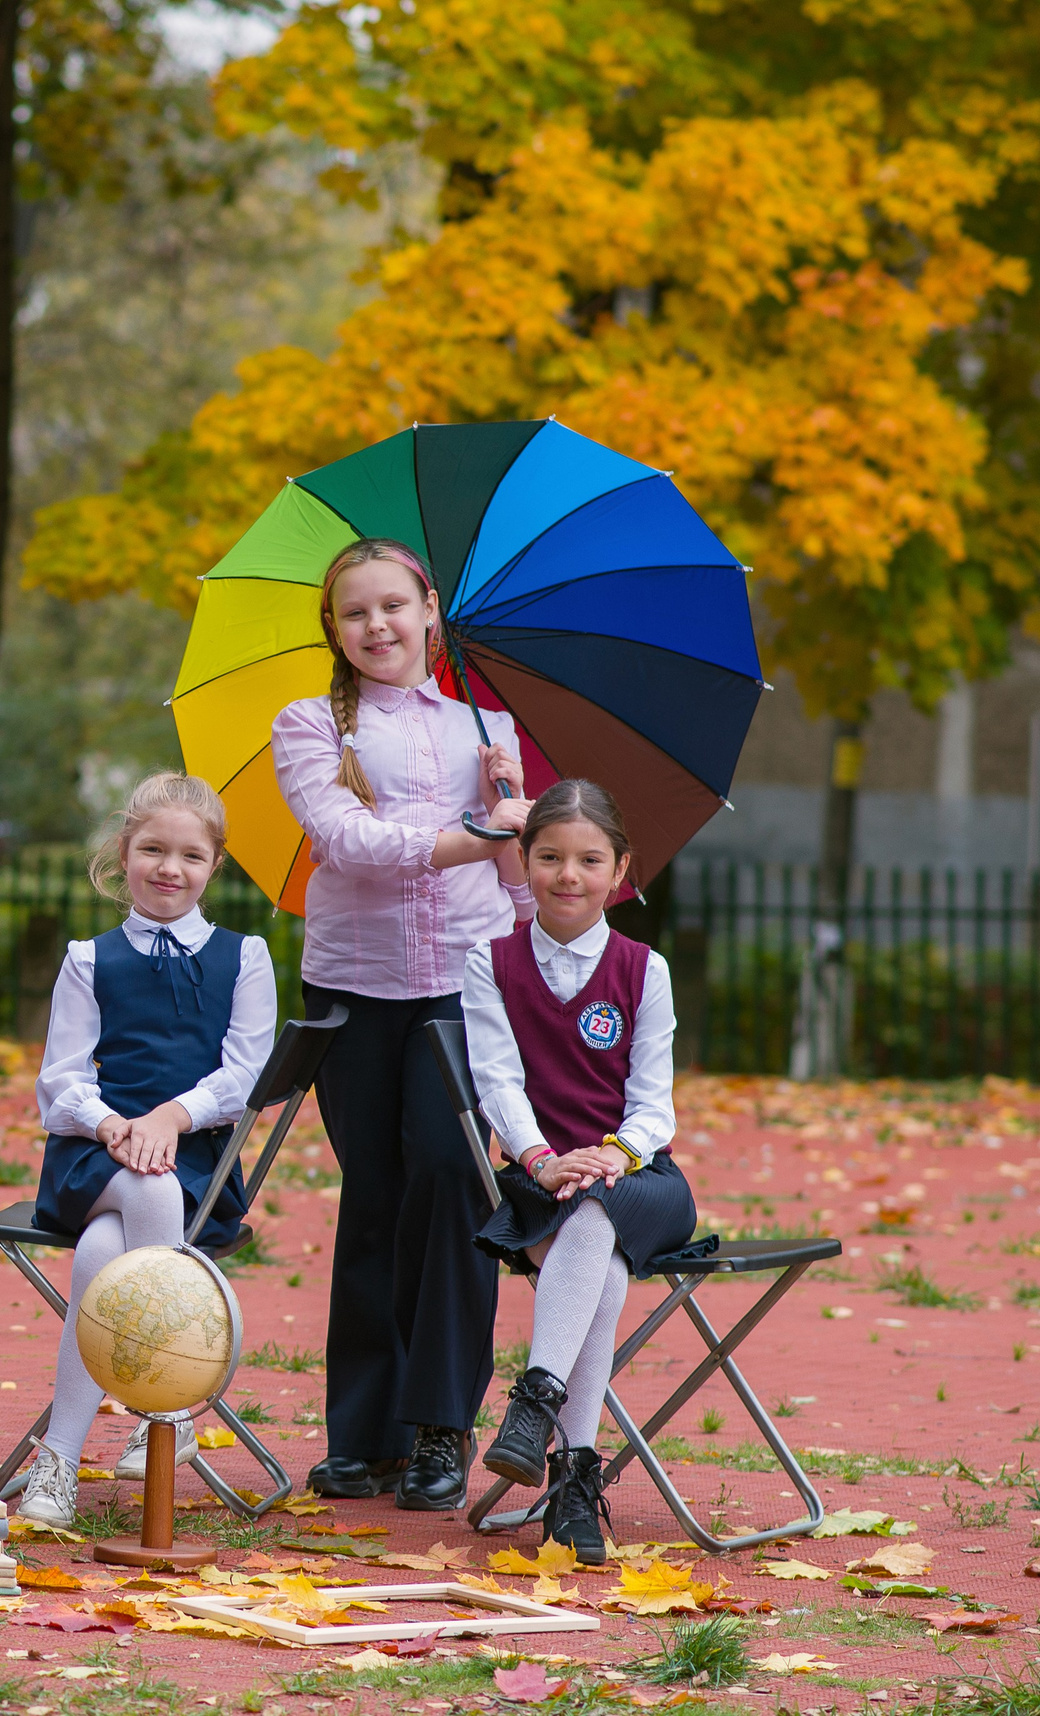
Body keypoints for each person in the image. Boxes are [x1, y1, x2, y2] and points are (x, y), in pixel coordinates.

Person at [271, 537, 533, 1512]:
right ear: (335, 631)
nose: (376, 625)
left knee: (450, 1183)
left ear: (429, 608)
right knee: (374, 1199)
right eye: (355, 612)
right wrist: (473, 835)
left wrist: (513, 819)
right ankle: (364, 1436)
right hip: (354, 991)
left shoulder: (487, 725)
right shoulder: (309, 724)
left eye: (393, 605)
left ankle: (437, 1429)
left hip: (462, 990)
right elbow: (346, 840)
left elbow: (516, 875)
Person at [17, 773, 276, 1527]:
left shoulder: (244, 956)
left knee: (104, 1252)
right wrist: (116, 1128)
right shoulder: (90, 958)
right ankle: (164, 1409)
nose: (170, 868)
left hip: (198, 1160)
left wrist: (168, 1117)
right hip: (95, 1157)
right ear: (123, 853)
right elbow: (59, 1083)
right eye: (153, 849)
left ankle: (57, 1464)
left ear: (214, 866)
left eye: (190, 856)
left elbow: (245, 1075)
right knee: (147, 1191)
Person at [464, 780, 692, 1564]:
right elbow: (496, 1081)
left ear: (619, 868)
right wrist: (542, 1157)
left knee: (596, 1209)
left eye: (589, 860)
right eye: (551, 857)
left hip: (640, 1175)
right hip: (538, 1177)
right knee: (603, 1263)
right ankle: (574, 1478)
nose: (568, 875)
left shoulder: (643, 968)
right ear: (521, 861)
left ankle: (534, 1402)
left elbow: (654, 1107)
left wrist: (610, 1156)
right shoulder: (488, 961)